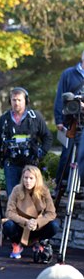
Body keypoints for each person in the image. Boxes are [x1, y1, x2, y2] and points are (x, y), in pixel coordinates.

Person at [0, 87, 53, 196]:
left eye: (19, 100)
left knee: (31, 197)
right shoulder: (4, 119)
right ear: (10, 101)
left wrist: (40, 153)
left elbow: (48, 137)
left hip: (31, 164)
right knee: (13, 198)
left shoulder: (35, 117)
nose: (16, 103)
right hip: (11, 164)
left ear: (26, 101)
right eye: (14, 100)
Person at [3, 165, 59, 261]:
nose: (27, 181)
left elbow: (51, 213)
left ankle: (40, 243)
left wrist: (37, 222)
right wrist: (26, 221)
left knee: (54, 226)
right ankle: (16, 244)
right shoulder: (17, 189)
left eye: (31, 178)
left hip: (37, 228)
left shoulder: (44, 191)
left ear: (37, 179)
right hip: (21, 226)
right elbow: (9, 212)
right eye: (25, 178)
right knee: (8, 225)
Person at [55, 51, 84, 194]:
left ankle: (81, 187)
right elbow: (60, 96)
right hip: (71, 121)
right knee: (66, 155)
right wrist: (59, 120)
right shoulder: (68, 74)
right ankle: (59, 185)